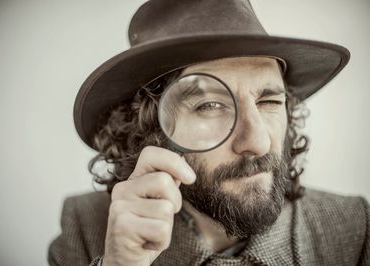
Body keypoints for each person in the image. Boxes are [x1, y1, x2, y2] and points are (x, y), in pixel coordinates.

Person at [48, 0, 369, 265]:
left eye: (269, 100)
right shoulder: (87, 226)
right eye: (210, 106)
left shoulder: (354, 228)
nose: (257, 142)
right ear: (149, 129)